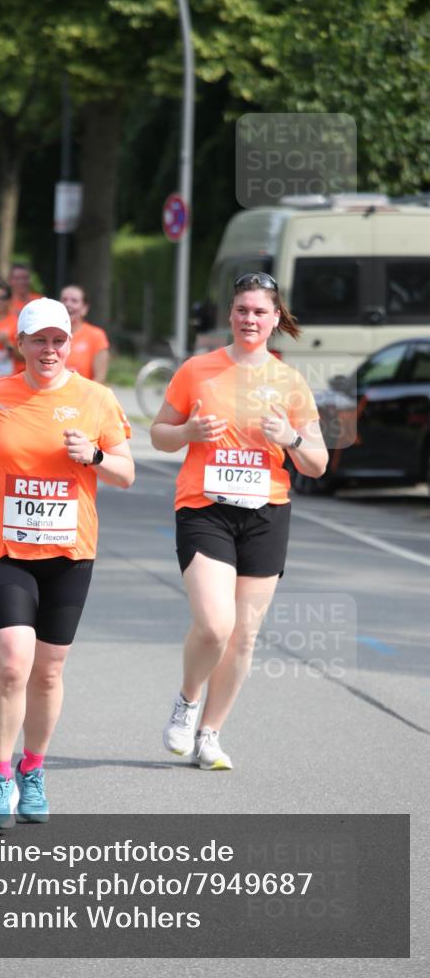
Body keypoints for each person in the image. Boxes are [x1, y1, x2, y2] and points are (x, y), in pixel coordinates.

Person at [0, 297, 134, 831]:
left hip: (69, 551)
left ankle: (33, 769)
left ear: (70, 342)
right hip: (3, 547)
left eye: (59, 340)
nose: (49, 349)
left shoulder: (95, 399)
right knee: (13, 662)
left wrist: (96, 457)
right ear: (21, 344)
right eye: (39, 340)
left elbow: (126, 472)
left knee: (49, 672)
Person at [151, 272, 328, 770]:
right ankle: (187, 704)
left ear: (275, 320)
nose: (250, 319)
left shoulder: (290, 381)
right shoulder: (197, 370)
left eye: (260, 312)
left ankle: (211, 733)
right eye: (242, 310)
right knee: (214, 625)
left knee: (244, 634)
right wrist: (187, 429)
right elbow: (160, 435)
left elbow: (318, 463)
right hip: (205, 507)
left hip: (267, 513)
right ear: (231, 315)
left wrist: (290, 437)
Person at [61, 284, 110, 383]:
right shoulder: (49, 334)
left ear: (84, 308)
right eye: (64, 300)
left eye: (74, 301)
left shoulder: (96, 336)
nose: (68, 304)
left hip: (83, 395)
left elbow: (100, 378)